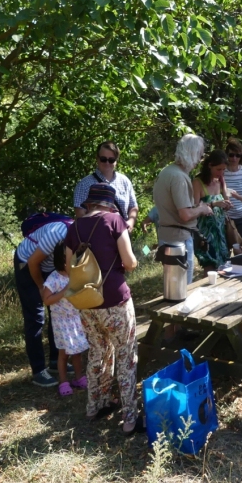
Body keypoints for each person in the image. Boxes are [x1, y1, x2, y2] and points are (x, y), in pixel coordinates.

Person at [64, 183, 141, 433]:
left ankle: (95, 405)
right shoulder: (115, 220)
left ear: (89, 204)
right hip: (115, 301)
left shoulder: (74, 227)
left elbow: (68, 268)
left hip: (87, 303)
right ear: (109, 204)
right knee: (126, 356)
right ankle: (129, 418)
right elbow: (129, 263)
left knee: (98, 352)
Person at [15, 217, 69, 387]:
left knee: (57, 310)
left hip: (48, 265)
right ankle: (38, 370)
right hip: (27, 263)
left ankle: (55, 360)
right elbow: (33, 262)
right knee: (36, 317)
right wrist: (40, 287)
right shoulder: (58, 233)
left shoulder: (83, 236)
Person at [153, 134, 214, 284]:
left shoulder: (166, 171)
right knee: (181, 288)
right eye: (199, 155)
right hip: (179, 241)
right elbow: (185, 215)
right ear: (192, 153)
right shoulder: (179, 177)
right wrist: (202, 209)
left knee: (172, 285)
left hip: (167, 237)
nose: (200, 160)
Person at [41, 243, 89, 397]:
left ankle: (78, 377)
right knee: (64, 353)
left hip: (75, 318)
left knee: (77, 351)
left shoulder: (75, 275)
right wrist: (63, 291)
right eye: (70, 259)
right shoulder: (54, 278)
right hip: (62, 322)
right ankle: (63, 381)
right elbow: (47, 300)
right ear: (62, 260)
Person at [73, 141, 139, 232]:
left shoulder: (125, 182)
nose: (107, 163)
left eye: (111, 160)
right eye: (103, 159)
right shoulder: (84, 184)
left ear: (116, 161)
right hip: (97, 238)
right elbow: (80, 215)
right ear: (97, 158)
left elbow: (133, 206)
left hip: (122, 234)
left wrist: (130, 223)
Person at [192, 150, 233, 270]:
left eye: (224, 170)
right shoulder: (197, 182)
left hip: (221, 230)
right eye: (218, 169)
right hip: (206, 232)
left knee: (224, 265)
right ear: (210, 165)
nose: (221, 173)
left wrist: (227, 204)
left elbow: (226, 199)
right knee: (209, 264)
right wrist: (214, 204)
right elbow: (194, 207)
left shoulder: (221, 180)